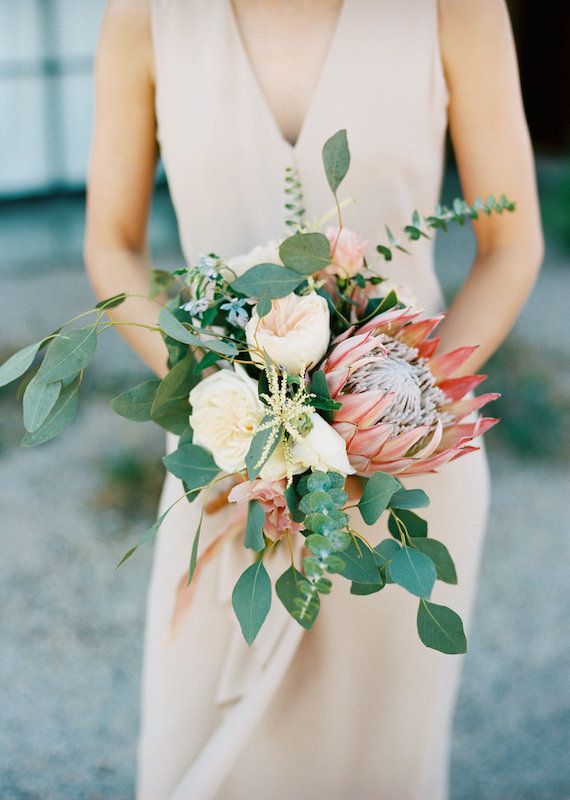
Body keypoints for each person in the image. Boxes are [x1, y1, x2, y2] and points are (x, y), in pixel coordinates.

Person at [84, 1, 543, 798]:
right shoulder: (144, 16)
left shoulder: (455, 8)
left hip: (402, 475)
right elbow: (111, 243)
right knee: (195, 758)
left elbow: (511, 243)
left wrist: (400, 407)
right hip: (226, 470)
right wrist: (228, 395)